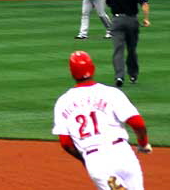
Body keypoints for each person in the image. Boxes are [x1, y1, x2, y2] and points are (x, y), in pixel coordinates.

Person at [52, 51, 152, 190]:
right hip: (123, 154)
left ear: (72, 72)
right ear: (92, 68)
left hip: (96, 160)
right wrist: (143, 143)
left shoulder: (63, 102)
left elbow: (66, 143)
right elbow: (137, 123)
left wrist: (85, 160)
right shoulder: (111, 93)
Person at [106, 0, 151, 87]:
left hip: (117, 20)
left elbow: (108, 3)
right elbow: (145, 4)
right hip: (132, 20)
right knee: (131, 49)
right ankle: (133, 75)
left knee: (118, 50)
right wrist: (146, 19)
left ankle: (119, 77)